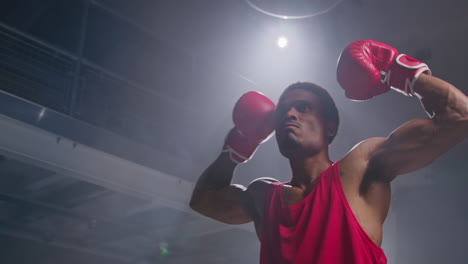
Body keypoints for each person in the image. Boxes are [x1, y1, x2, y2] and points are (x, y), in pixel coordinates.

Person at [189, 40, 468, 264]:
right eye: (284, 110)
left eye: (304, 108)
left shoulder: (361, 168)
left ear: (330, 128)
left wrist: (396, 70)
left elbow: (459, 117)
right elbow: (203, 200)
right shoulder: (264, 196)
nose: (290, 114)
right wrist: (237, 147)